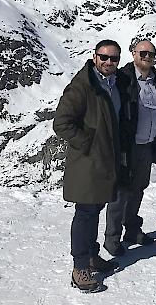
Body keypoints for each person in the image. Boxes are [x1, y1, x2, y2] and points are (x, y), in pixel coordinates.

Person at [53, 40, 129, 293]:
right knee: (85, 214)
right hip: (88, 163)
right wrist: (89, 143)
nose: (109, 62)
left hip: (107, 162)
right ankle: (79, 268)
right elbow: (61, 123)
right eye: (104, 57)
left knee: (95, 209)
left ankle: (91, 256)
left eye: (113, 59)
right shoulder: (83, 85)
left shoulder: (116, 84)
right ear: (94, 57)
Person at [104, 40, 156, 256]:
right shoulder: (123, 79)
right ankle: (112, 238)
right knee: (120, 192)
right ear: (134, 54)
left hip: (147, 145)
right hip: (127, 146)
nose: (148, 57)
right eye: (143, 53)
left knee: (138, 188)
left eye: (152, 54)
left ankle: (132, 230)